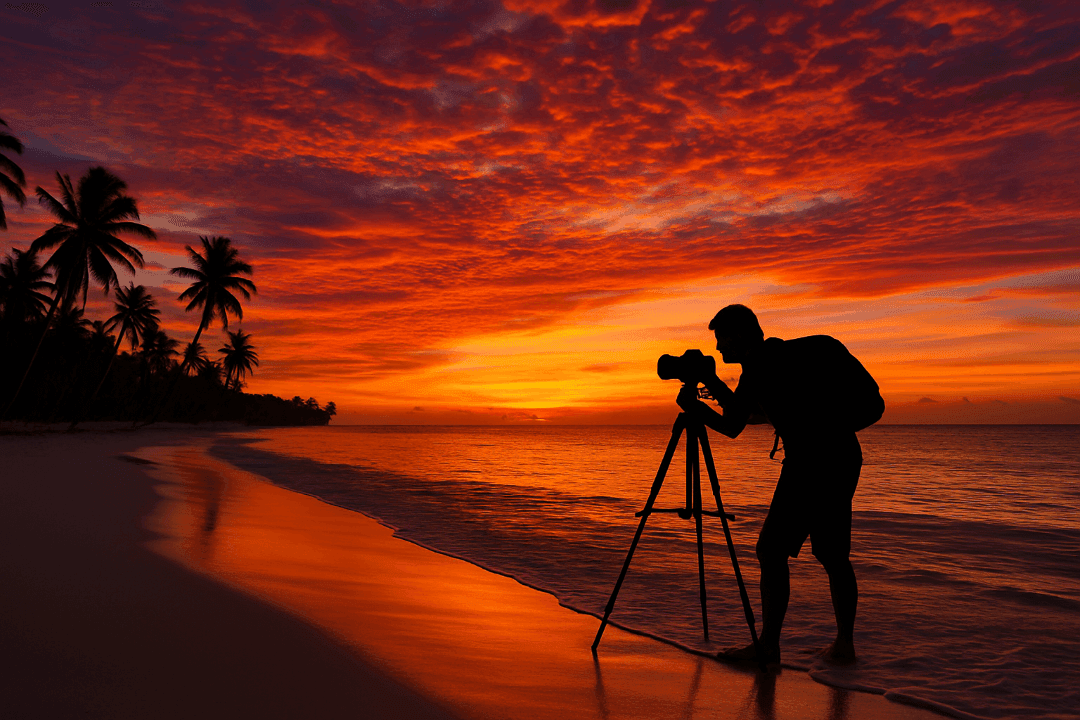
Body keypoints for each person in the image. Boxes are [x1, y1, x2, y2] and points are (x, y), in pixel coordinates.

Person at [676, 304, 882, 667]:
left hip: (808, 464)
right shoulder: (805, 352)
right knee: (834, 556)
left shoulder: (758, 369)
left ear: (740, 336)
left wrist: (694, 407)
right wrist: (831, 432)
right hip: (845, 457)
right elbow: (754, 413)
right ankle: (845, 646)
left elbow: (734, 425)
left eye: (723, 342)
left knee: (771, 551)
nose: (721, 351)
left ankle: (768, 647)